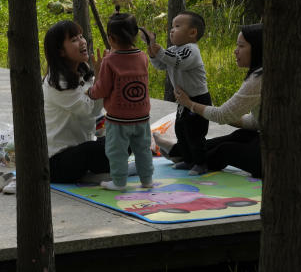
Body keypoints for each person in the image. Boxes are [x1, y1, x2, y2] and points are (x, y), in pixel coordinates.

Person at [173, 23, 264, 179]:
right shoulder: (262, 73)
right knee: (238, 136)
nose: (235, 51)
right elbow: (256, 122)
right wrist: (216, 113)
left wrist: (190, 104)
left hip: (283, 156)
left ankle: (183, 155)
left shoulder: (260, 77)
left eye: (241, 46)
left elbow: (222, 115)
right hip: (272, 140)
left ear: (257, 48)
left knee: (225, 149)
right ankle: (177, 151)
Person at [87, 10, 156, 191]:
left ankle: (119, 182)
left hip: (118, 119)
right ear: (134, 35)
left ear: (111, 38)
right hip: (142, 116)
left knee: (116, 151)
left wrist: (90, 92)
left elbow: (102, 88)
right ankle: (147, 180)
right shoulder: (142, 56)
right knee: (142, 149)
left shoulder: (109, 61)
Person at [43, 19, 110, 184]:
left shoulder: (82, 69)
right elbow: (90, 109)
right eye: (74, 39)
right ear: (60, 51)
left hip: (82, 147)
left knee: (125, 136)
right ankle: (98, 172)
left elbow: (97, 105)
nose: (82, 42)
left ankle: (96, 171)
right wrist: (101, 80)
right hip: (57, 161)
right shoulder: (57, 82)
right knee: (95, 149)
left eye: (81, 36)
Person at [147, 10, 210, 175]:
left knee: (195, 133)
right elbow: (162, 65)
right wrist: (153, 53)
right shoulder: (174, 49)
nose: (172, 30)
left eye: (177, 26)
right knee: (181, 130)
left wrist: (160, 50)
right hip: (183, 100)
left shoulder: (191, 50)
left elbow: (178, 62)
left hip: (198, 99)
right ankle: (188, 160)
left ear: (192, 32)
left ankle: (200, 163)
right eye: (172, 27)